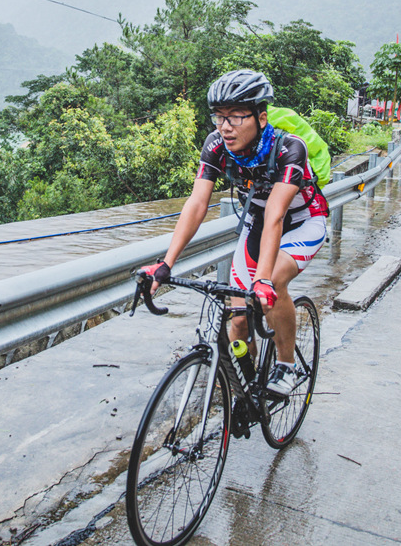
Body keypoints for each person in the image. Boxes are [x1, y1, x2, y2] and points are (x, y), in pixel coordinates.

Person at [140, 69, 329, 396]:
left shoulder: (289, 149)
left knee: (274, 284)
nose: (225, 127)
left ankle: (287, 365)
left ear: (261, 116)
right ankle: (246, 389)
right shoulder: (216, 145)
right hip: (257, 223)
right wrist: (166, 263)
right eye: (219, 117)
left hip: (302, 221)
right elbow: (197, 204)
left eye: (237, 117)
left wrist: (264, 279)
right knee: (239, 318)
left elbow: (276, 214)